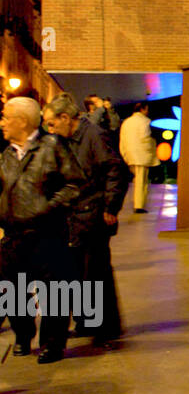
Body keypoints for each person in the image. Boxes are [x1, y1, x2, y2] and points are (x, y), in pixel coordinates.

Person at [0, 97, 84, 362]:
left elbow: (75, 185)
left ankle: (52, 343)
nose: (2, 122)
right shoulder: (6, 155)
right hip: (14, 234)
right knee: (11, 289)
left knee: (54, 292)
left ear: (22, 121)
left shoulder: (53, 146)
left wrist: (48, 208)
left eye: (5, 116)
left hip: (47, 234)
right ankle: (23, 335)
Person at [41, 93, 130, 345]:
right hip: (77, 214)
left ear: (66, 118)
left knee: (97, 272)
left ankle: (106, 328)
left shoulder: (94, 136)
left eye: (52, 123)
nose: (50, 128)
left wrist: (111, 207)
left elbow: (115, 169)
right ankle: (88, 321)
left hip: (94, 213)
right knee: (82, 272)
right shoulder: (67, 140)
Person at [119, 103, 158, 214]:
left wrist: (124, 154)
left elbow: (122, 139)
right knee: (141, 181)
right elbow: (146, 138)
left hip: (129, 154)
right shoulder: (146, 122)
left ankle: (137, 202)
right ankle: (139, 205)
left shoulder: (126, 122)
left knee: (136, 180)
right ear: (143, 109)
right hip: (142, 155)